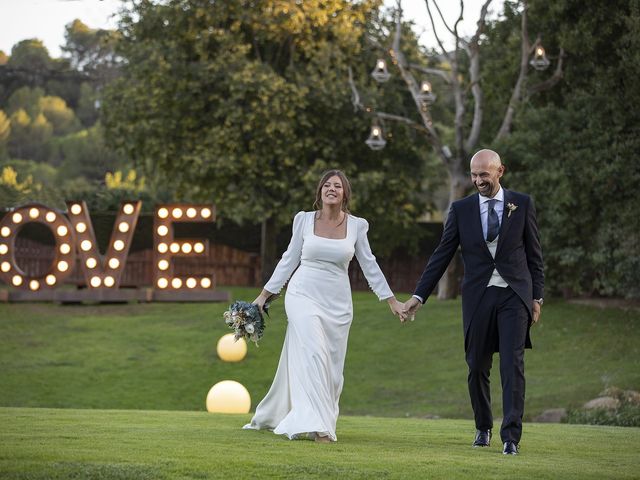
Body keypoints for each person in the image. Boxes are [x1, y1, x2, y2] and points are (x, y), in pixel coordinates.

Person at [244, 169, 406, 443]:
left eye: (338, 186)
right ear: (319, 192)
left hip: (338, 303)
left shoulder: (357, 225)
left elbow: (370, 264)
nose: (332, 189)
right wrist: (263, 296)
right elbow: (288, 260)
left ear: (345, 194)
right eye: (327, 185)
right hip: (302, 294)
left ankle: (318, 417)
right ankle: (319, 428)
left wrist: (391, 301)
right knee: (314, 354)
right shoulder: (304, 220)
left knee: (331, 368)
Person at [404, 149, 544, 455]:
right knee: (477, 365)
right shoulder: (461, 209)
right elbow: (441, 255)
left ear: (500, 171)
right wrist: (419, 296)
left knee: (512, 365)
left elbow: (535, 256)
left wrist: (537, 297)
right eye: (474, 175)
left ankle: (511, 437)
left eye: (484, 174)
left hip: (514, 295)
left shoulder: (521, 204)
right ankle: (483, 426)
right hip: (478, 295)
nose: (478, 180)